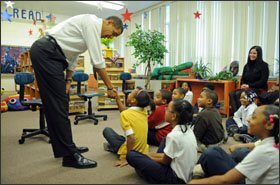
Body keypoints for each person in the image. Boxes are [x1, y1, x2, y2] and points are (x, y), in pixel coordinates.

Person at [29, 14, 123, 168]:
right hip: (47, 52)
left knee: (60, 105)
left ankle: (67, 148)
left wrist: (68, 80)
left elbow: (73, 56)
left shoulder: (88, 29)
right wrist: (110, 88)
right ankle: (70, 156)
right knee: (58, 106)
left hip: (54, 56)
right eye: (113, 33)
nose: (109, 37)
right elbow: (98, 62)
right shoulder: (92, 23)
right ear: (109, 22)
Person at [188, 105, 279, 184]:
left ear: (269, 125)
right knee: (217, 151)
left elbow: (225, 180)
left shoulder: (264, 151)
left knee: (210, 153)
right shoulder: (272, 143)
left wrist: (191, 183)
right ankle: (199, 170)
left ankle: (195, 173)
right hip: (250, 178)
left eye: (253, 117)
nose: (248, 119)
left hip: (245, 181)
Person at [126, 100, 198, 184]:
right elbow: (169, 157)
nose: (165, 111)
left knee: (131, 155)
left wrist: (146, 157)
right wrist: (146, 154)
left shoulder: (174, 136)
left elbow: (165, 161)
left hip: (175, 178)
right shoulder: (188, 130)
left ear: (173, 116)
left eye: (167, 109)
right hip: (185, 173)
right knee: (164, 140)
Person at [102, 87, 150, 167]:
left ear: (133, 100)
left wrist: (128, 158)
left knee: (107, 131)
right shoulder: (144, 110)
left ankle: (114, 148)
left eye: (131, 93)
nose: (129, 94)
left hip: (132, 151)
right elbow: (125, 111)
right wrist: (117, 98)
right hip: (143, 150)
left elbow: (131, 138)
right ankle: (114, 147)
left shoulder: (125, 115)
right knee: (122, 137)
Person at [229, 45, 269, 115]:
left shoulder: (264, 65)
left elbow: (263, 81)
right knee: (232, 93)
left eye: (254, 53)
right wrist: (242, 85)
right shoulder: (246, 66)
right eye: (250, 53)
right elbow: (243, 79)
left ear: (258, 54)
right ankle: (236, 114)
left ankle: (244, 115)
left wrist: (249, 85)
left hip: (259, 90)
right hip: (247, 88)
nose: (251, 55)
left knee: (239, 94)